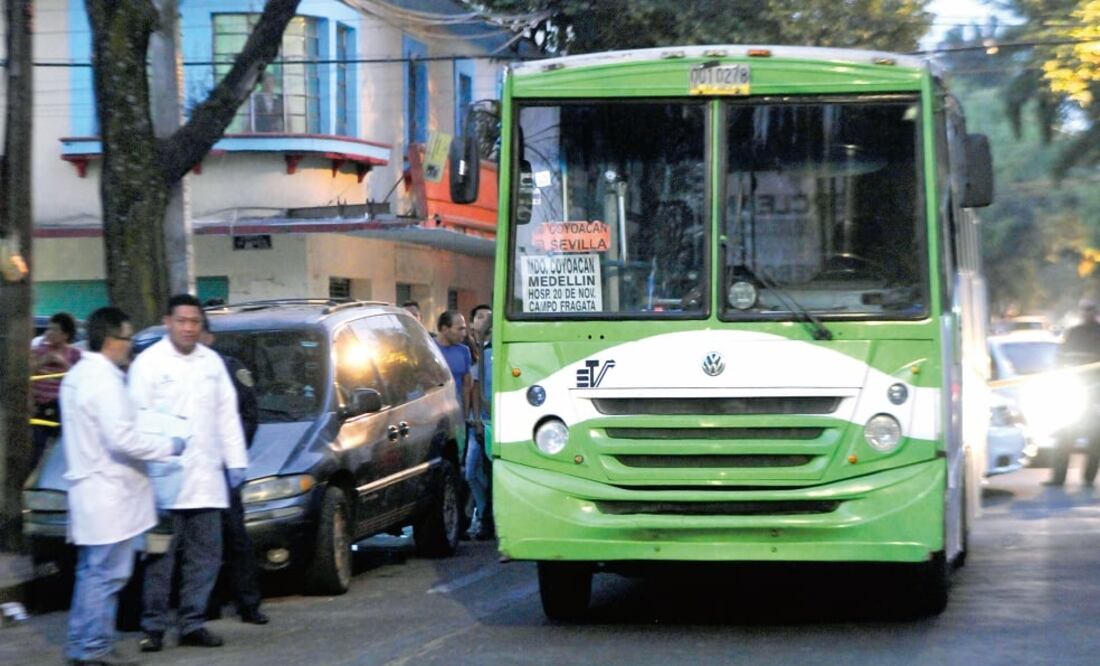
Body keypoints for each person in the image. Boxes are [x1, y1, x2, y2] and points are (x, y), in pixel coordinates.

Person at [61, 306, 186, 666]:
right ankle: (92, 649)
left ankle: (81, 644)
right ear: (111, 340)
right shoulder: (104, 382)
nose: (130, 346)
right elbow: (124, 440)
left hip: (93, 491)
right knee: (106, 575)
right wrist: (169, 446)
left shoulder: (78, 376)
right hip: (110, 493)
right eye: (127, 338)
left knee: (91, 573)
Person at [129, 294, 249, 652]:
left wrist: (236, 461)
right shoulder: (148, 364)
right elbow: (136, 419)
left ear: (200, 325)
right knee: (159, 558)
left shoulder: (212, 364)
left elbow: (227, 416)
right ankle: (153, 626)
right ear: (168, 322)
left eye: (194, 322)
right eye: (181, 321)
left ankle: (192, 622)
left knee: (205, 557)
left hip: (206, 479)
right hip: (163, 482)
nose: (187, 328)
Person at [200, 315, 268, 625]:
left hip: (225, 470)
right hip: (194, 472)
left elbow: (248, 416)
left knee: (236, 539)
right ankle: (207, 603)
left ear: (209, 338)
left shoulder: (228, 369)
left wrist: (232, 455)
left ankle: (248, 603)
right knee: (201, 543)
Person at [1047, 300, 1100, 486]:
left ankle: (1088, 478)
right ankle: (1058, 478)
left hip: (1096, 394)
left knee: (1095, 438)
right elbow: (1060, 358)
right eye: (1085, 310)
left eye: (1091, 309)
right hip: (1075, 390)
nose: (1088, 313)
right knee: (1065, 435)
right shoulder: (1074, 333)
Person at [30, 312, 82, 469]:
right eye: (48, 329)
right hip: (38, 406)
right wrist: (41, 363)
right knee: (37, 445)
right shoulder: (39, 351)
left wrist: (63, 364)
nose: (48, 333)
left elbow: (80, 379)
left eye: (54, 330)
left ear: (65, 335)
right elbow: (26, 374)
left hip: (60, 407)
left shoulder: (74, 354)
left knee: (60, 446)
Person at [466, 304, 494, 540]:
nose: (485, 320)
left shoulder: (498, 351)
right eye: (480, 316)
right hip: (481, 421)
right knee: (471, 471)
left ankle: (487, 519)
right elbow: (474, 388)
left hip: (498, 421)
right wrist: (475, 419)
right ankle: (483, 512)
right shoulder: (476, 352)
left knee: (491, 471)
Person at [435, 310, 472, 414]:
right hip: (433, 411)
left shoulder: (464, 351)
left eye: (464, 329)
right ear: (444, 329)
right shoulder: (429, 349)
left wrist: (465, 413)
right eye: (460, 329)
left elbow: (466, 385)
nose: (464, 334)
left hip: (455, 410)